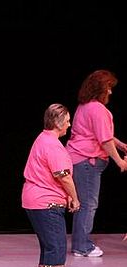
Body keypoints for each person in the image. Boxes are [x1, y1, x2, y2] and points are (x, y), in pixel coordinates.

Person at [21, 103, 80, 267]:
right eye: (67, 120)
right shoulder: (52, 145)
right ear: (57, 122)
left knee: (49, 247)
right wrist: (75, 197)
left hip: (36, 200)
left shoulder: (43, 138)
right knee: (56, 247)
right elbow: (63, 176)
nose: (70, 124)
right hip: (46, 202)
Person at [66, 70, 127, 257]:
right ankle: (82, 246)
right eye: (108, 88)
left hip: (80, 160)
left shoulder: (84, 107)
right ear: (100, 88)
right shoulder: (98, 109)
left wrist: (122, 145)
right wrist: (120, 162)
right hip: (86, 161)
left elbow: (100, 133)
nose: (110, 92)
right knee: (87, 204)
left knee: (84, 203)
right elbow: (104, 140)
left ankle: (80, 243)